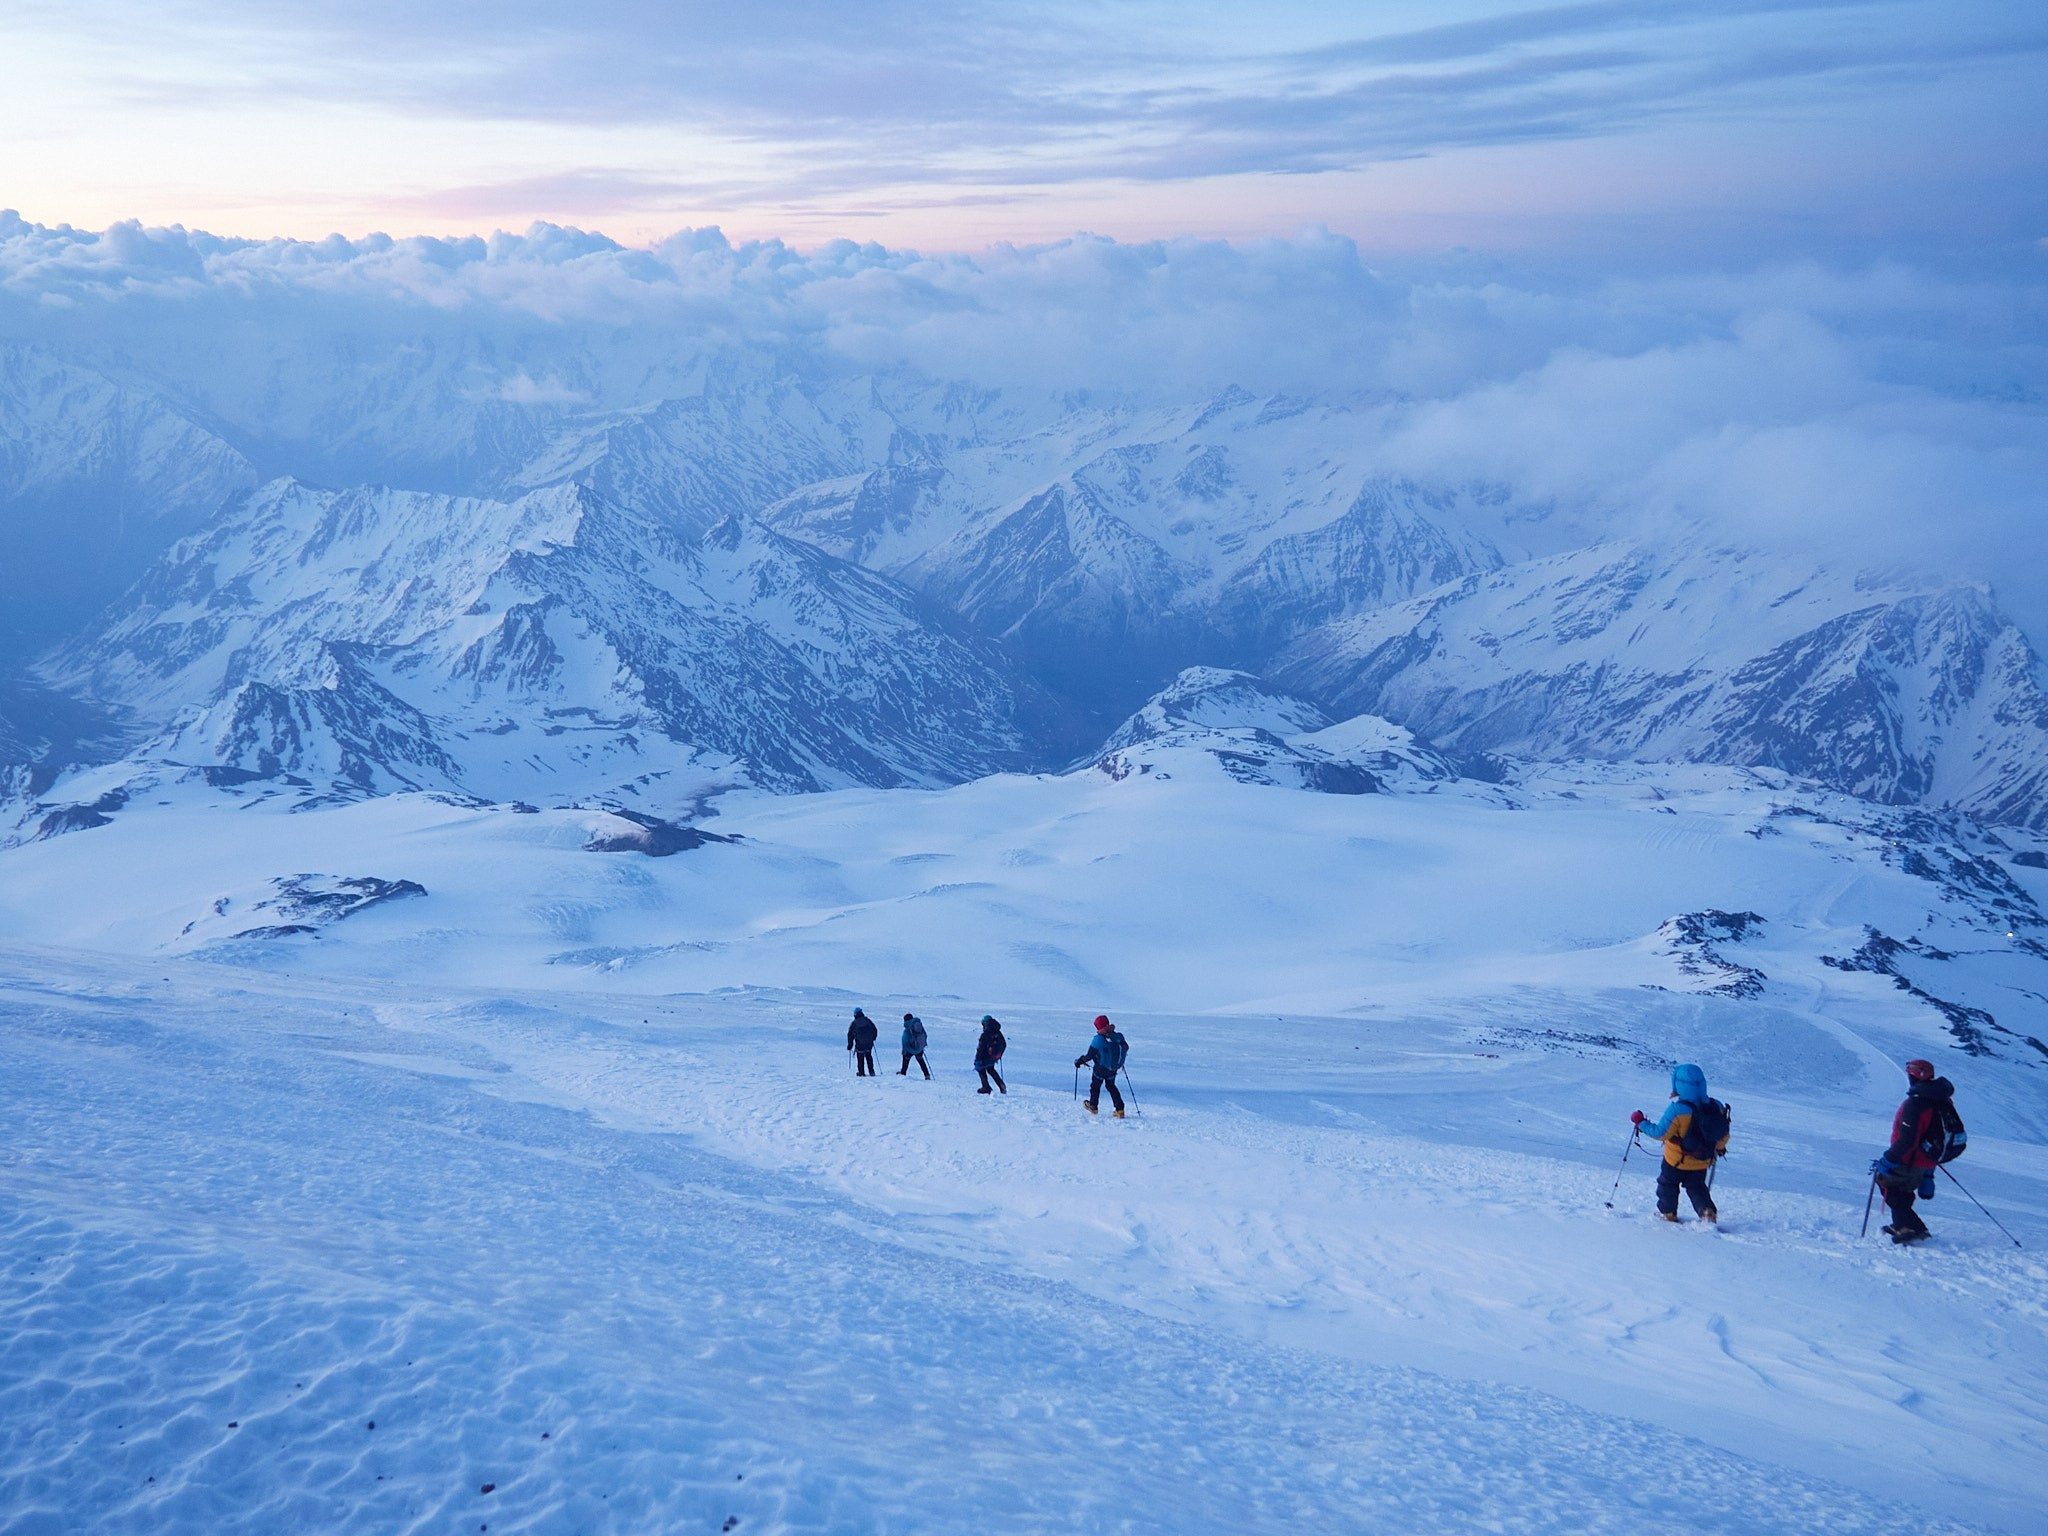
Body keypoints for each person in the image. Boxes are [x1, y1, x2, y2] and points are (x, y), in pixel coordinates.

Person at [1870, 1059, 1957, 1245]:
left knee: (1889, 1186)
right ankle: (1901, 1223)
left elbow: (1907, 1140)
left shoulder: (1916, 1104)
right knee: (1903, 1189)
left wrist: (1888, 1160)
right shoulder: (1942, 1100)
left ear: (1913, 1076)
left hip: (1908, 1159)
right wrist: (1929, 1175)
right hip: (1926, 1160)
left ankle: (1912, 1227)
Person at [1631, 1062, 1727, 1223]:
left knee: (1667, 1185)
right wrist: (1720, 1148)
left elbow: (1660, 1133)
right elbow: (1722, 1134)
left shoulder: (1677, 1109)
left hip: (1675, 1160)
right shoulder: (1716, 1106)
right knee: (1697, 1187)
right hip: (1702, 1160)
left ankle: (1667, 1214)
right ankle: (1707, 1211)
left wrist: (1641, 1123)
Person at [1073, 1014, 1128, 1117]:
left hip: (1101, 1068)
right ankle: (1120, 1109)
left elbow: (1089, 1055)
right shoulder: (1116, 1036)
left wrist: (1079, 1061)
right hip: (1113, 1068)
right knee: (1111, 1086)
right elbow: (1125, 1047)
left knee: (1095, 1085)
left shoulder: (1098, 1039)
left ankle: (1093, 1106)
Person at [973, 1015, 1008, 1095]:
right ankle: (1001, 1085)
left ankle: (986, 1087)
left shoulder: (985, 1034)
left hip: (985, 1057)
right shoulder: (998, 1032)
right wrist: (999, 1054)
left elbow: (980, 1048)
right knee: (990, 1069)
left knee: (980, 1069)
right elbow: (1003, 1044)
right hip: (993, 1057)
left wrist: (977, 1059)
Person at [846, 1008, 878, 1077]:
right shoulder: (868, 1021)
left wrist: (850, 1045)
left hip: (860, 1044)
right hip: (869, 1043)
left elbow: (850, 1034)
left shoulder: (854, 1023)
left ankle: (861, 1072)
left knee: (860, 1058)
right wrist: (873, 1038)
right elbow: (874, 1029)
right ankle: (871, 1071)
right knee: (869, 1056)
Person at [898, 1012, 931, 1079]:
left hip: (910, 1049)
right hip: (919, 1048)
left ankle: (903, 1073)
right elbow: (925, 1035)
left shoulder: (907, 1028)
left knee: (905, 1061)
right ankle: (927, 1075)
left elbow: (905, 1040)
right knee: (921, 1061)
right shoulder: (919, 1026)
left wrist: (904, 1050)